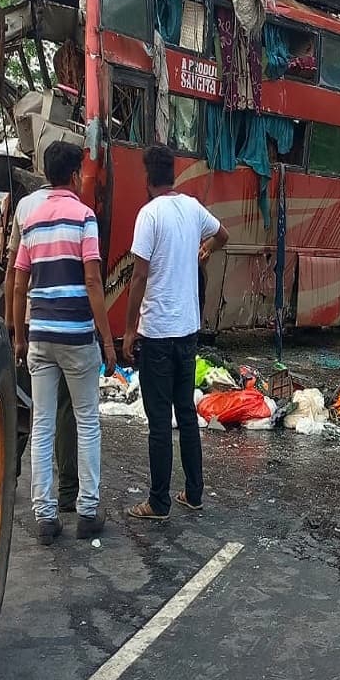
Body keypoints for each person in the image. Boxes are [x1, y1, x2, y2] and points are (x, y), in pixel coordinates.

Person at [12, 141, 115, 544]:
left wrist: (20, 337)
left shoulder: (32, 221)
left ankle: (46, 517)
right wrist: (107, 342)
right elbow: (92, 280)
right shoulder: (84, 218)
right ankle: (87, 511)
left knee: (43, 423)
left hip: (40, 336)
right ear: (74, 176)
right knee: (87, 421)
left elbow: (20, 281)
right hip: (76, 337)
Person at [124, 145, 229, 521]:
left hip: (156, 333)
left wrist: (128, 329)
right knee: (186, 413)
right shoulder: (191, 208)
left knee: (158, 421)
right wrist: (205, 250)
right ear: (173, 174)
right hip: (188, 332)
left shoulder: (149, 215)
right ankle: (194, 493)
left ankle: (158, 502)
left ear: (148, 178)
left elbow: (138, 276)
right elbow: (224, 236)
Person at [4, 176, 80, 513]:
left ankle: (11, 477)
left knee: (26, 406)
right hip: (66, 324)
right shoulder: (80, 211)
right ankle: (67, 492)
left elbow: (13, 275)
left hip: (33, 323)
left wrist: (13, 326)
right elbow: (89, 277)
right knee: (64, 409)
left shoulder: (25, 208)